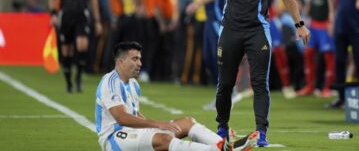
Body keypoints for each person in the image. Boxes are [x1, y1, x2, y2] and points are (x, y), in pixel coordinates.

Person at [134, 0, 310, 146]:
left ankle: (261, 133)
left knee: (260, 84)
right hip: (230, 30)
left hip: (257, 31)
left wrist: (299, 25)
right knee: (225, 83)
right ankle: (222, 128)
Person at [95, 41, 258, 151]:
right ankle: (218, 150)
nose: (140, 63)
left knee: (187, 122)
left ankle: (225, 145)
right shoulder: (110, 82)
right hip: (114, 139)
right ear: (120, 62)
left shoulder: (133, 84)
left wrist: (152, 128)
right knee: (163, 139)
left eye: (140, 59)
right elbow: (122, 118)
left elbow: (134, 114)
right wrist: (158, 124)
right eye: (135, 59)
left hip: (132, 135)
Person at [48, 0, 102, 93]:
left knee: (82, 46)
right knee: (66, 50)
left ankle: (78, 78)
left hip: (81, 16)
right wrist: (53, 14)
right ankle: (68, 82)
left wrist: (97, 20)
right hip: (65, 17)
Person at [297, 0, 338, 98]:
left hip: (326, 23)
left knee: (328, 55)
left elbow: (335, 1)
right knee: (308, 53)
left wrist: (332, 20)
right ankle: (309, 86)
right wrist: (305, 17)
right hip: (313, 23)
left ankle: (328, 87)